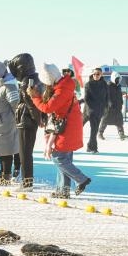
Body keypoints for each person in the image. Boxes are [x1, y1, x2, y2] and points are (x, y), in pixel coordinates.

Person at [30, 63, 90, 198]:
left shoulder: (62, 89)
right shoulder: (64, 85)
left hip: (67, 128)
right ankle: (63, 191)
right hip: (69, 125)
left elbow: (47, 108)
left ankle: (81, 179)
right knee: (65, 159)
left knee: (59, 158)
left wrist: (35, 97)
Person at [8, 53, 43, 189]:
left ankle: (27, 182)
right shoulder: (36, 78)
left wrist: (38, 119)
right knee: (27, 152)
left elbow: (30, 104)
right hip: (30, 119)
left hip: (25, 119)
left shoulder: (26, 82)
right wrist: (40, 118)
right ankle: (27, 181)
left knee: (25, 153)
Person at [83, 67, 108, 153]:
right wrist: (91, 109)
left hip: (99, 111)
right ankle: (92, 147)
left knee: (94, 130)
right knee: (79, 126)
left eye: (98, 74)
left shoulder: (104, 84)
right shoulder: (89, 84)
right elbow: (86, 98)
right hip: (89, 110)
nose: (96, 76)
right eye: (94, 74)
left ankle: (91, 147)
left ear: (101, 75)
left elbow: (107, 97)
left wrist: (105, 108)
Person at [100, 75, 127, 140]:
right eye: (116, 79)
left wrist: (121, 102)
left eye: (118, 79)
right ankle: (100, 133)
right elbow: (107, 96)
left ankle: (121, 134)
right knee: (105, 121)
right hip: (109, 107)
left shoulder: (118, 86)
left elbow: (119, 94)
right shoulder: (108, 86)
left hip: (117, 106)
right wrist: (110, 103)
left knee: (119, 121)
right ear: (113, 78)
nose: (118, 80)